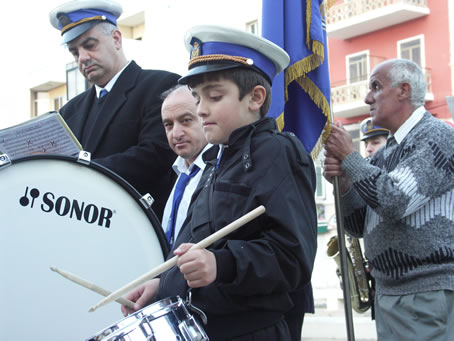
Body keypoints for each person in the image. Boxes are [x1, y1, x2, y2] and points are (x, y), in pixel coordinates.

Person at [121, 25, 318, 340]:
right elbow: (193, 246)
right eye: (198, 98)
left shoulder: (278, 152)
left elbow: (292, 258)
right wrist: (163, 284)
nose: (201, 109)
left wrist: (221, 263)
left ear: (256, 97)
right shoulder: (215, 160)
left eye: (214, 96)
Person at [323, 58, 454, 341]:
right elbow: (358, 224)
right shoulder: (383, 154)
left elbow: (395, 201)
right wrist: (345, 183)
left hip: (425, 294)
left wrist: (350, 158)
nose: (367, 97)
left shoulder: (439, 137)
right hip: (389, 294)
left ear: (404, 90)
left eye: (376, 87)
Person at [49, 0, 180, 220]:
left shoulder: (161, 86)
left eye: (90, 45)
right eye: (74, 52)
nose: (82, 58)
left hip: (138, 227)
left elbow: (155, 155)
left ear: (117, 39)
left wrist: (83, 171)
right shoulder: (69, 111)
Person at [160, 84, 211, 248]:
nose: (176, 133)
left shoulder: (222, 171)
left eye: (186, 121)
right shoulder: (182, 171)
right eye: (169, 124)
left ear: (205, 117)